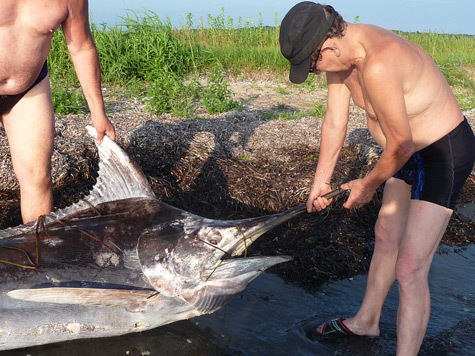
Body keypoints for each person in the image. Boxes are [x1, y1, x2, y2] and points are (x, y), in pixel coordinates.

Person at [279, 2, 475, 355]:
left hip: (442, 152)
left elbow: (401, 142)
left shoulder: (381, 62)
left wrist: (367, 185)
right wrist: (320, 182)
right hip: (403, 152)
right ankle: (366, 321)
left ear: (328, 47)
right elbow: (335, 121)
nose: (315, 72)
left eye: (313, 65)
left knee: (411, 267)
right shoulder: (342, 58)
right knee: (385, 234)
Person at [0, 0, 116, 223]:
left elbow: (81, 47)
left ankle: (40, 252)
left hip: (28, 91)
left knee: (38, 178)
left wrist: (98, 112)